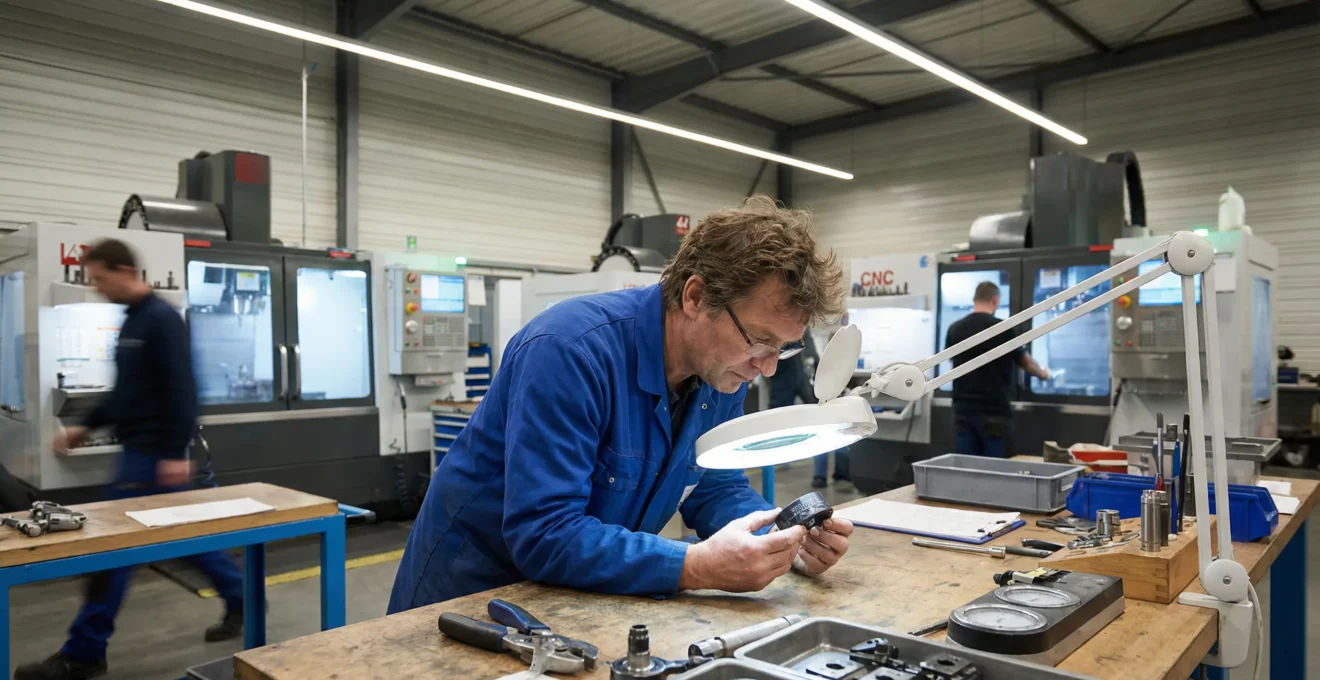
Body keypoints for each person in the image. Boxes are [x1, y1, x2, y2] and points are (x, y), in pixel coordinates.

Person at [389, 196, 854, 613]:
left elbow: (714, 488)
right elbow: (544, 532)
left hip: (575, 599)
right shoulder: (570, 351)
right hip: (469, 600)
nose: (768, 368)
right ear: (695, 297)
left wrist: (779, 540)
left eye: (783, 349)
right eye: (760, 341)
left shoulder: (722, 372)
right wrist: (694, 566)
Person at [18, 239, 244, 680]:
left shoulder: (161, 320)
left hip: (154, 458)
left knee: (114, 552)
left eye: (100, 279)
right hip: (139, 454)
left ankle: (84, 652)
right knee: (186, 542)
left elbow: (183, 388)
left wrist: (176, 451)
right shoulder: (132, 322)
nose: (97, 288)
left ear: (124, 271)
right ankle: (242, 597)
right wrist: (85, 427)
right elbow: (125, 394)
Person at [945, 281, 1049, 459]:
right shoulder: (1003, 329)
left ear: (974, 299)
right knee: (995, 469)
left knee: (966, 465)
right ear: (995, 300)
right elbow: (1025, 362)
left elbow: (950, 359)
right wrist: (1043, 374)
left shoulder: (955, 329)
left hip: (963, 410)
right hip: (994, 411)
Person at [766, 334, 849, 489]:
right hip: (791, 382)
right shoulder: (791, 343)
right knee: (817, 429)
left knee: (825, 428)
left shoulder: (806, 343)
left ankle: (832, 475)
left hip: (806, 385)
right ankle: (823, 476)